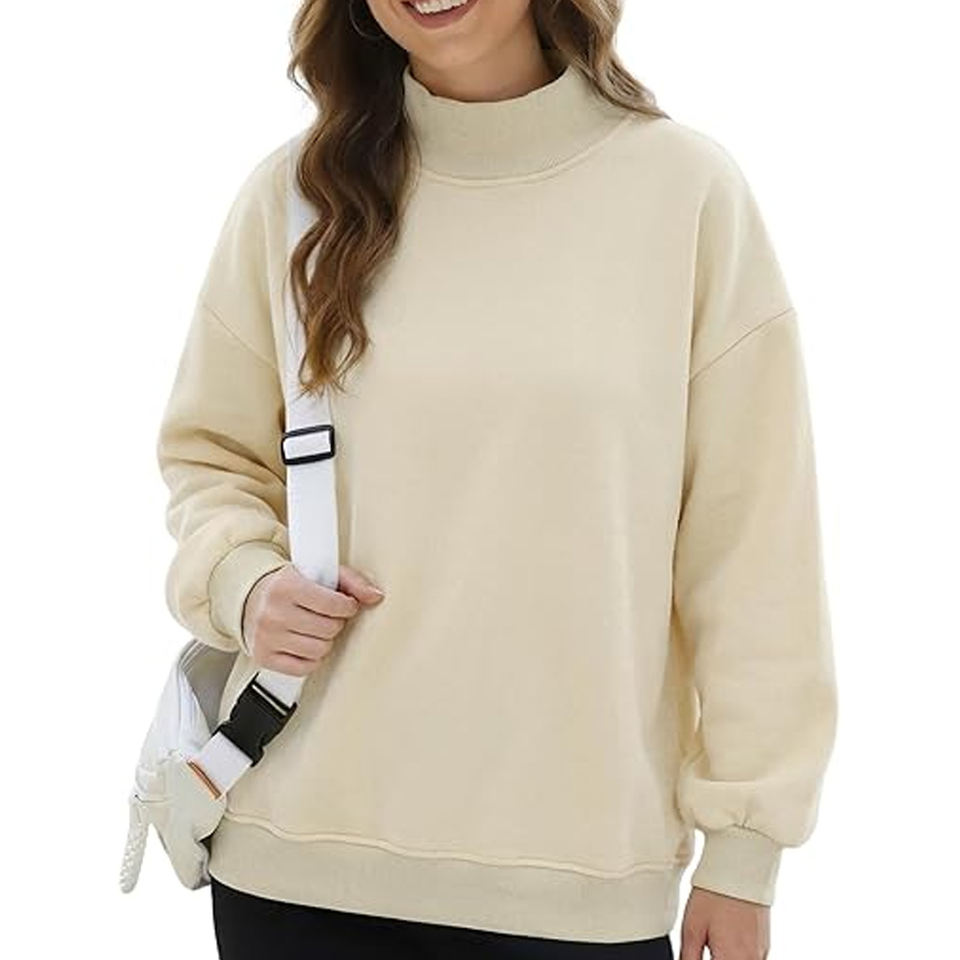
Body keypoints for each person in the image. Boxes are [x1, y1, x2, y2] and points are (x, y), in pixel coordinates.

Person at [155, 1, 838, 957]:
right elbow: (212, 457)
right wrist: (244, 580)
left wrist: (745, 846)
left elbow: (754, 545)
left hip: (576, 888)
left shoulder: (684, 195)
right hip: (294, 866)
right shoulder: (297, 200)